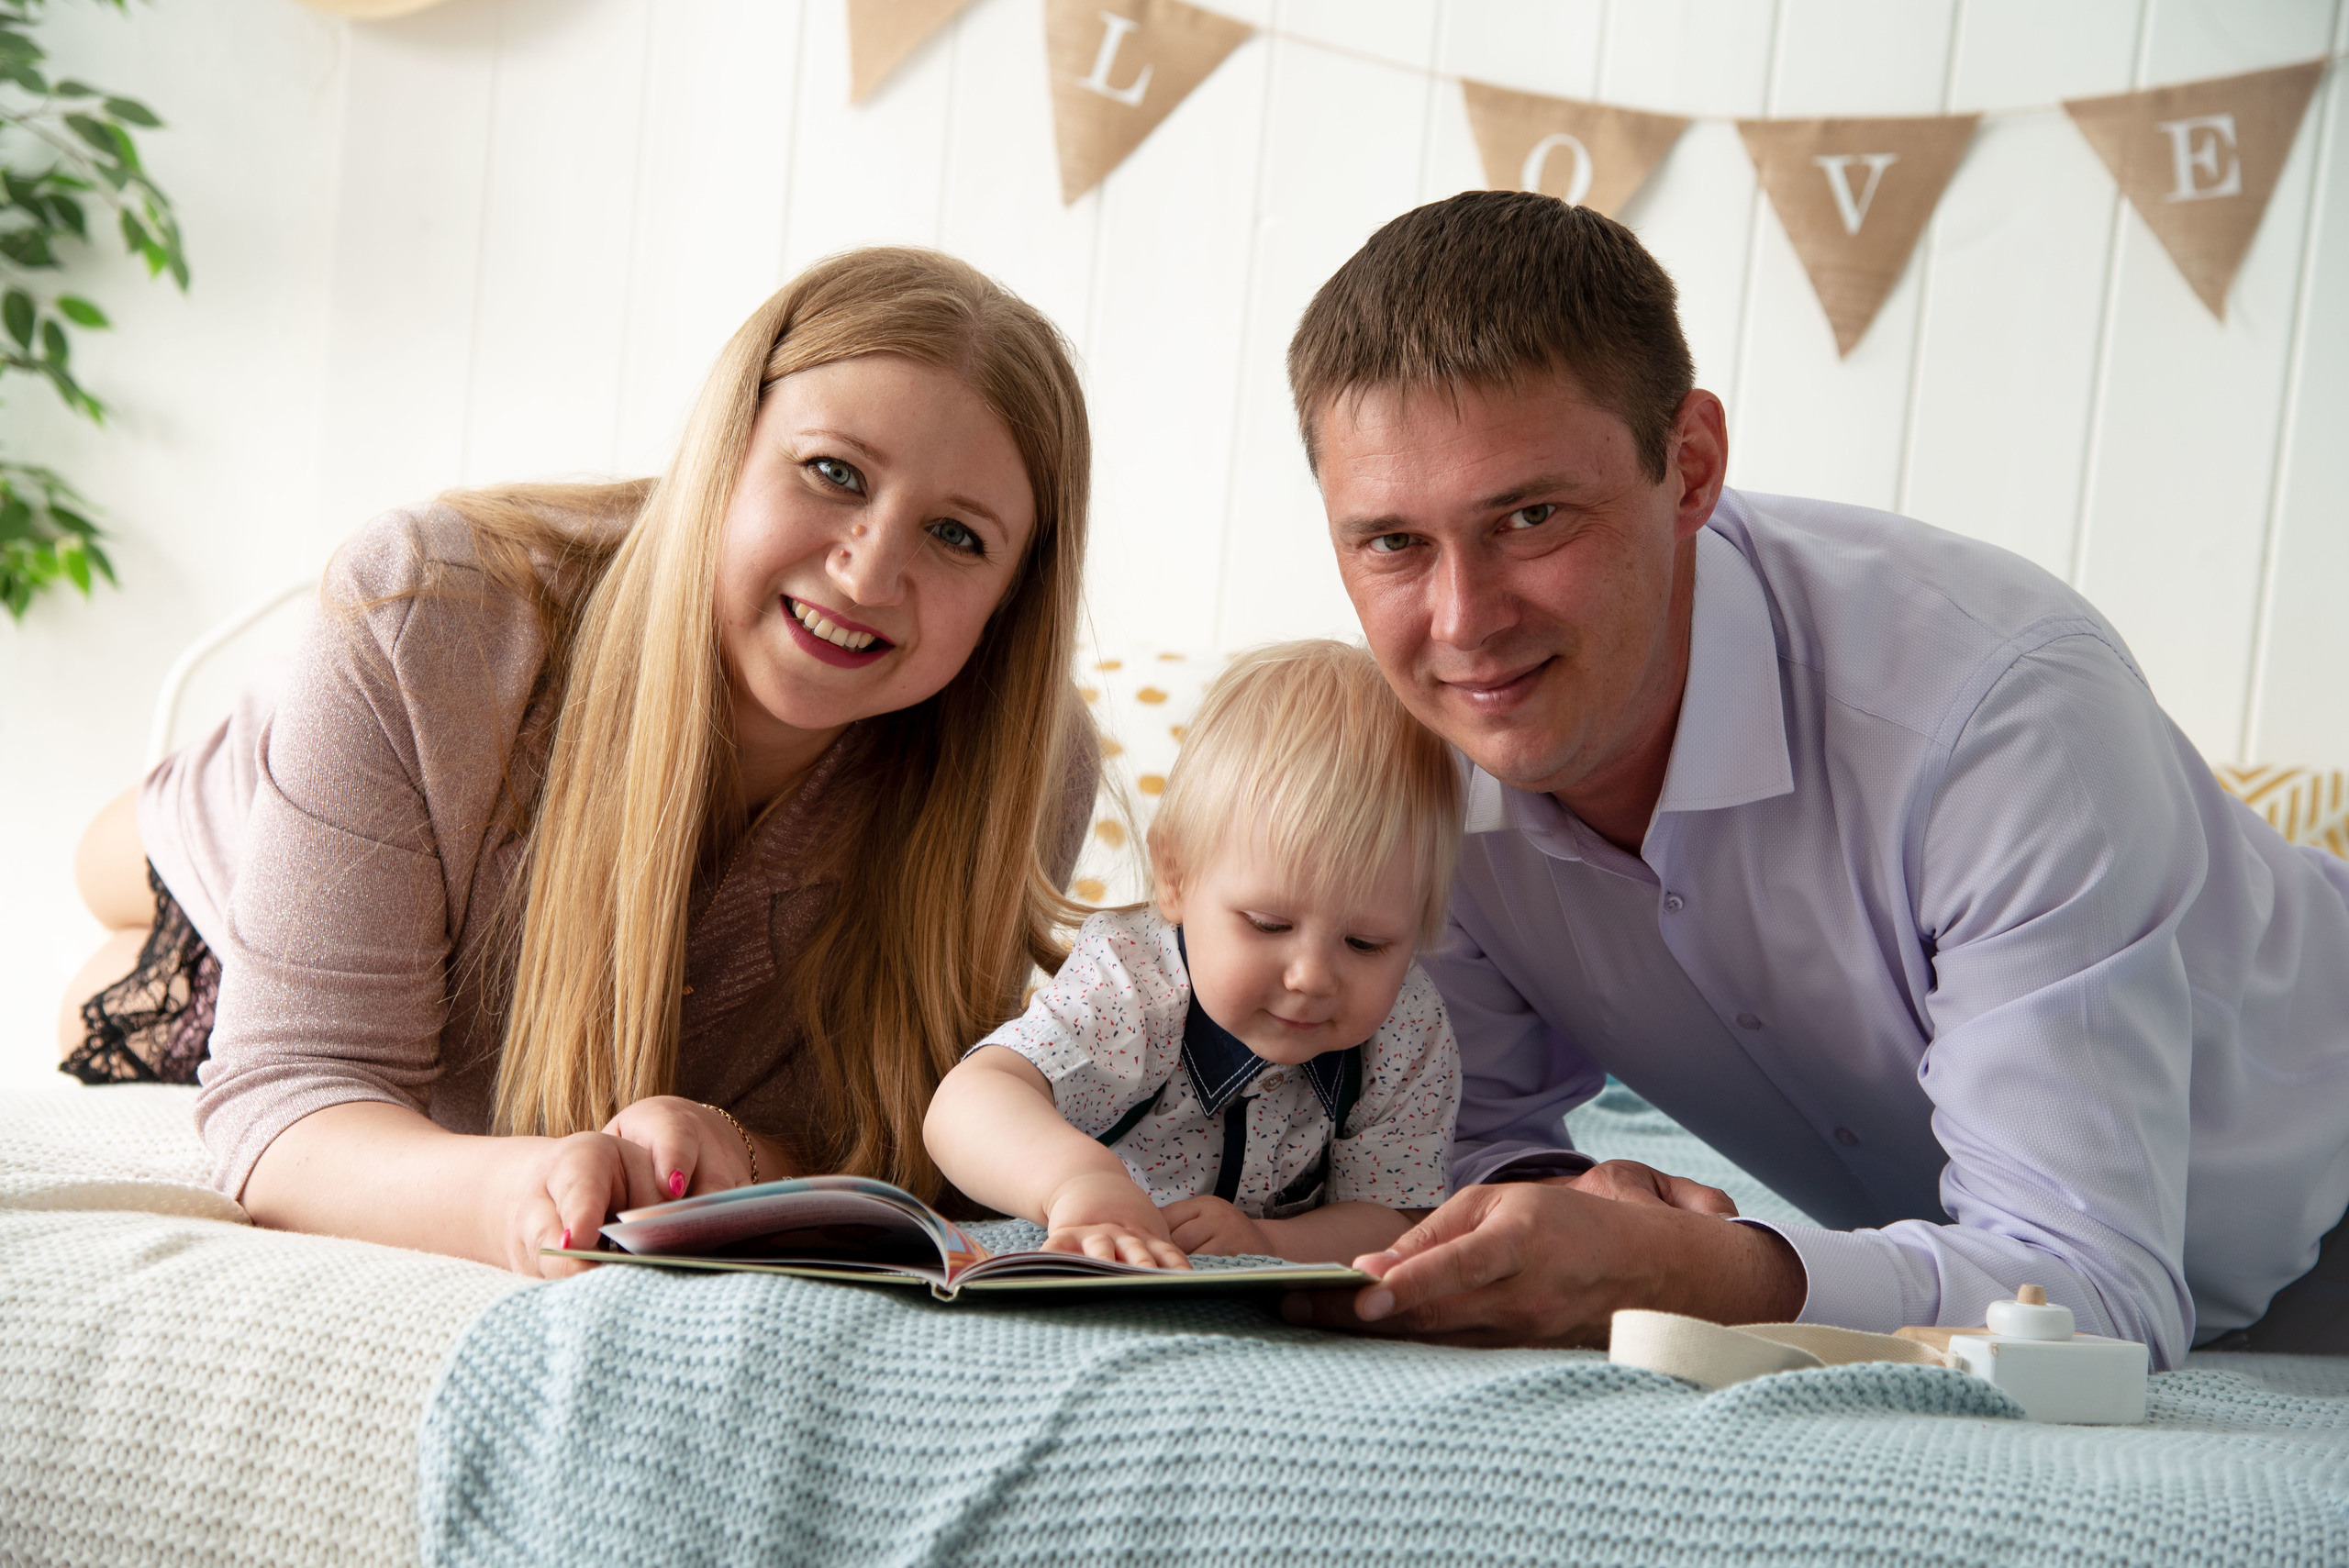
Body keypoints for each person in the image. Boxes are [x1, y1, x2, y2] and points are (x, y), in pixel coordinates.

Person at [1278, 190, 2349, 1367]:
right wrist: (1570, 1203)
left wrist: (1690, 1271)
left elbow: (2090, 1288)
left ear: (1689, 469)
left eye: (1531, 517)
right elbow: (1463, 1147)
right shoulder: (1401, 774)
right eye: (1390, 542)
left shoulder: (2000, 712)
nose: (1463, 621)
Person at [59, 247, 1101, 1278]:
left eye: (958, 536)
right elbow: (291, 1090)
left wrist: (729, 1154)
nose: (870, 571)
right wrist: (518, 1200)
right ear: (724, 450)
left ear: (1016, 590)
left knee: (104, 976)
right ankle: (159, 845)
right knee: (111, 918)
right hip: (270, 805)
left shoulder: (1023, 771)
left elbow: (873, 1140)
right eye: (833, 473)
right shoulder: (429, 602)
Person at [924, 639, 1462, 1266]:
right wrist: (1078, 1184)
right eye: (1268, 924)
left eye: (1367, 943)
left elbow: (1402, 1217)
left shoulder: (1406, 1027)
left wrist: (1269, 1244)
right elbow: (966, 1101)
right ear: (1175, 878)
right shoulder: (1135, 984)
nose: (1313, 976)